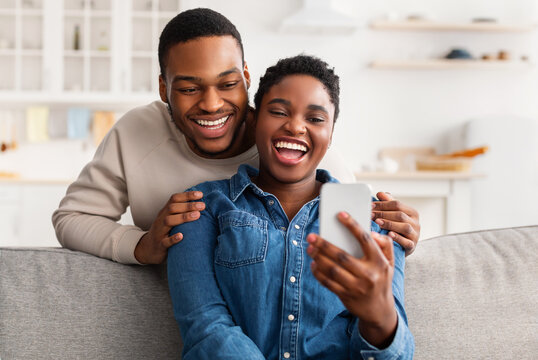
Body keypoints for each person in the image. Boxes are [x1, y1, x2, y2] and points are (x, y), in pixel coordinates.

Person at [52, 8, 420, 265]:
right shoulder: (136, 133)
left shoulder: (291, 146)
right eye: (189, 88)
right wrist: (141, 245)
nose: (212, 105)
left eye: (228, 84)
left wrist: (397, 235)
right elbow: (72, 217)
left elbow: (354, 244)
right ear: (164, 88)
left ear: (246, 76)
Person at [167, 55, 414, 359]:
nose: (296, 126)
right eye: (279, 111)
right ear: (253, 120)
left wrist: (381, 318)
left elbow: (398, 354)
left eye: (315, 118)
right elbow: (205, 329)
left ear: (331, 133)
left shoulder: (373, 218)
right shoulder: (202, 208)